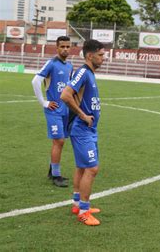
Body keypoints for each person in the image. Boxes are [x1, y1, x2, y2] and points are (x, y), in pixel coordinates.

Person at [61, 39, 105, 226]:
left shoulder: (90, 74)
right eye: (101, 55)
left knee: (81, 166)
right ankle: (84, 212)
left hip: (89, 129)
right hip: (82, 128)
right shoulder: (83, 73)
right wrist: (83, 115)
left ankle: (77, 204)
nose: (104, 58)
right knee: (92, 168)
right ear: (89, 55)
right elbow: (65, 95)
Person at [31, 36, 73, 187]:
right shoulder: (51, 63)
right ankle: (56, 176)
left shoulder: (69, 66)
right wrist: (44, 102)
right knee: (59, 141)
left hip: (65, 110)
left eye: (68, 46)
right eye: (62, 46)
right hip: (53, 109)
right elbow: (35, 81)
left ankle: (51, 170)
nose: (65, 49)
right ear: (57, 48)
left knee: (60, 142)